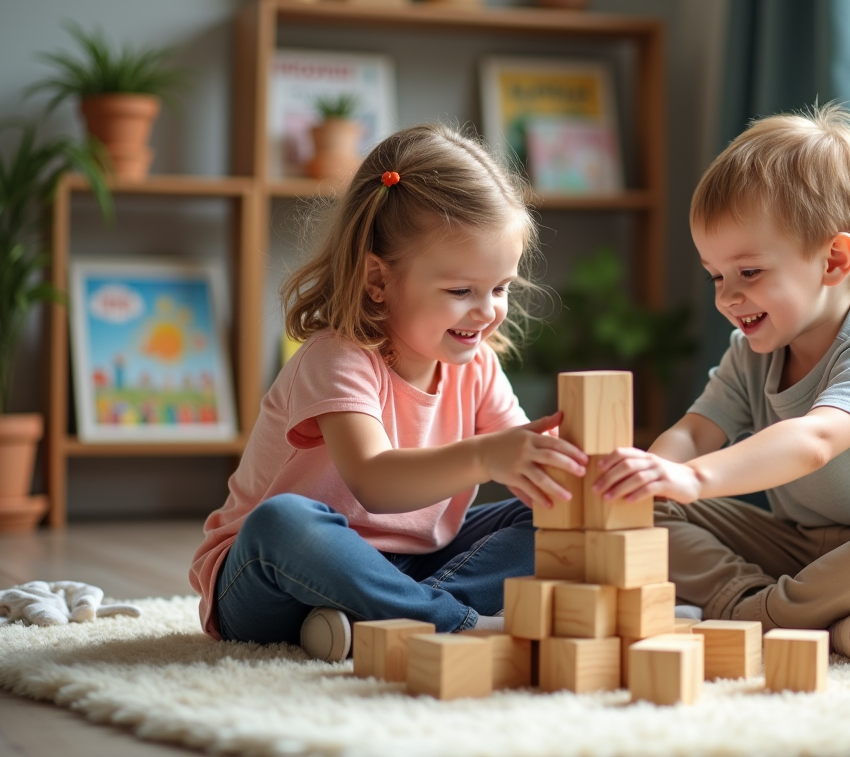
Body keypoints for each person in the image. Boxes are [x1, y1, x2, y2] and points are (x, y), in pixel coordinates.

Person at [592, 103, 850, 663]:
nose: (727, 297)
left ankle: (754, 617)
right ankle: (807, 614)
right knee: (645, 509)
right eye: (715, 276)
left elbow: (813, 440)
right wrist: (653, 474)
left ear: (833, 261)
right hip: (810, 553)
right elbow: (694, 432)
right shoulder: (751, 353)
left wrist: (693, 478)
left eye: (748, 272)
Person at [189, 123, 586, 661]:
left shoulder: (479, 366)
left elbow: (531, 465)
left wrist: (583, 472)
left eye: (500, 288)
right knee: (283, 522)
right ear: (378, 280)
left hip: (411, 565)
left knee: (554, 517)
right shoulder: (337, 356)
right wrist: (488, 457)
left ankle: (387, 617)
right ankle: (455, 623)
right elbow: (374, 482)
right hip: (273, 577)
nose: (487, 310)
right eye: (460, 290)